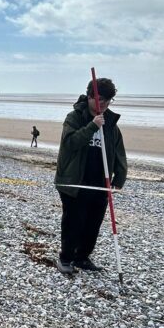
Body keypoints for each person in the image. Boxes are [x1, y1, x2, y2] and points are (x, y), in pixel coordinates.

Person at [53, 78, 126, 274]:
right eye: (99, 99)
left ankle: (82, 257)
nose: (103, 104)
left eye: (107, 100)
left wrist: (120, 175)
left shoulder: (110, 124)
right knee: (73, 221)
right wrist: (92, 126)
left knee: (93, 223)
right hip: (75, 181)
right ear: (89, 96)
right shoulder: (75, 117)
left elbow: (118, 150)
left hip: (100, 182)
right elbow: (70, 143)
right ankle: (66, 259)